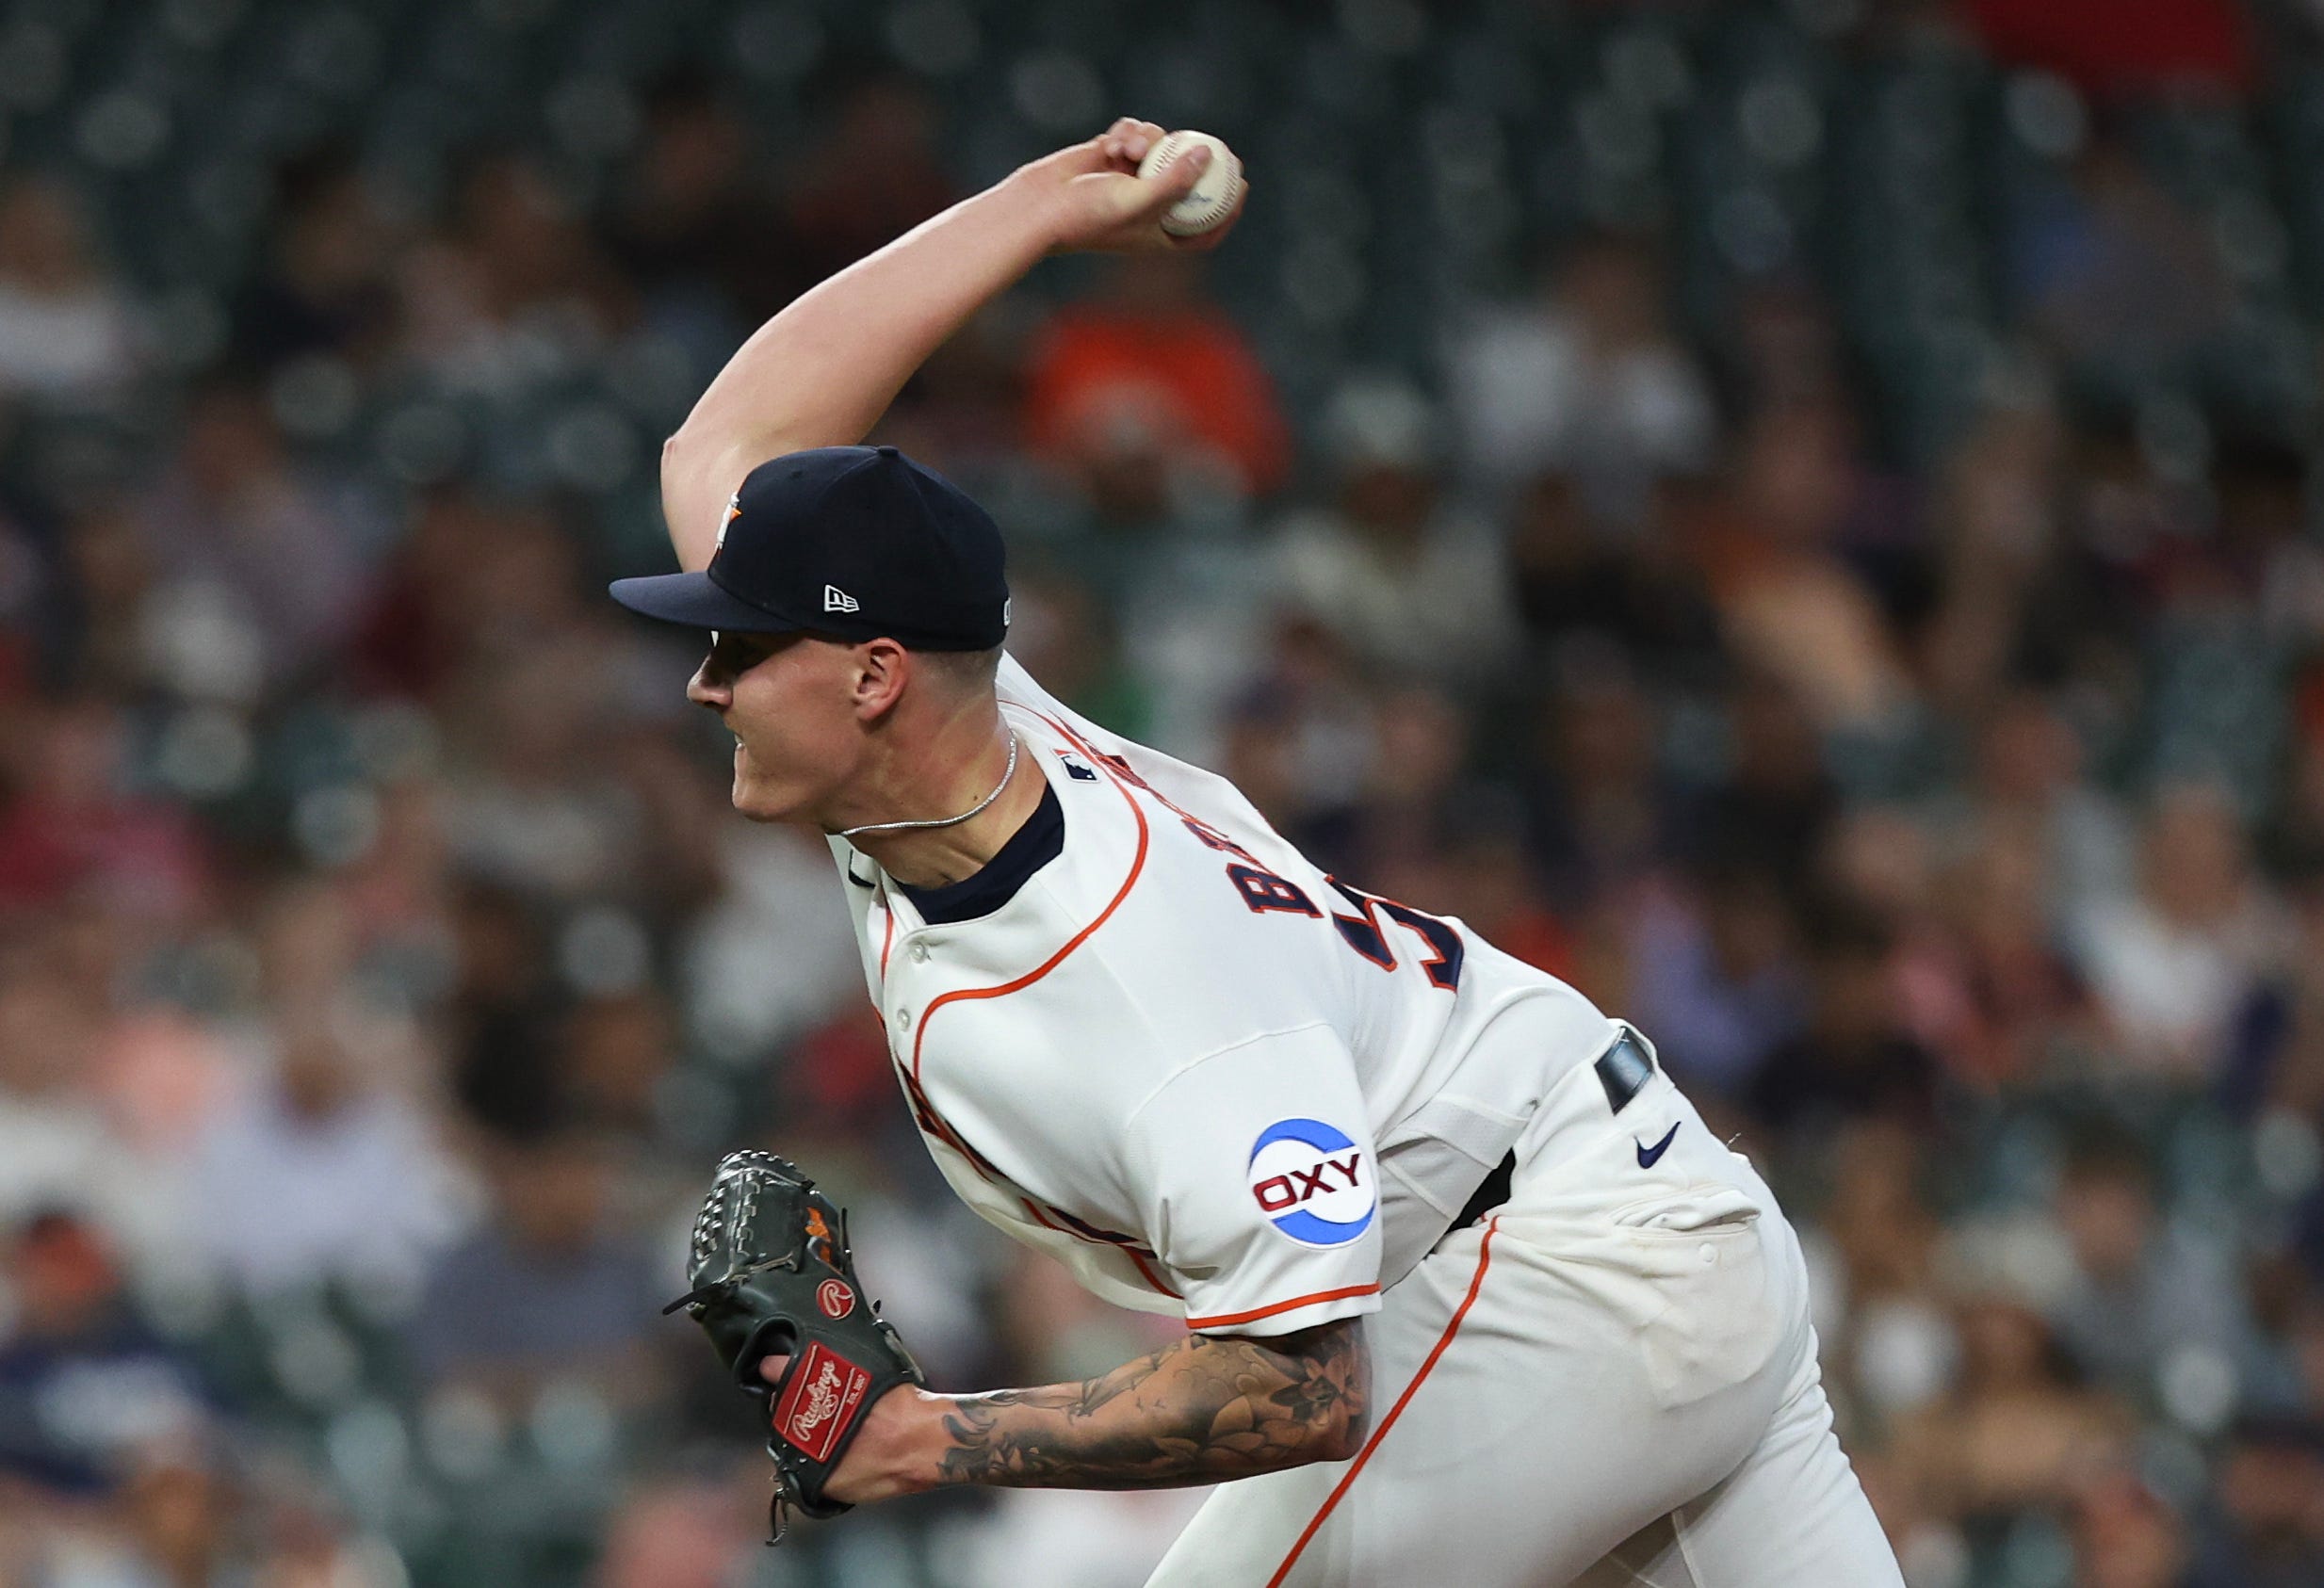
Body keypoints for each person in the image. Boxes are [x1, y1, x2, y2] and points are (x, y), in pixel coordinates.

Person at [610, 117, 1903, 1587]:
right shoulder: (945, 732)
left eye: (735, 647)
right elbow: (727, 441)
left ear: (871, 673)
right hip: (1640, 1219)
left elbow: (1301, 1386)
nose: (705, 680)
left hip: (1567, 1272)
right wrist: (1040, 208)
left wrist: (926, 1437)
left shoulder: (1141, 977)